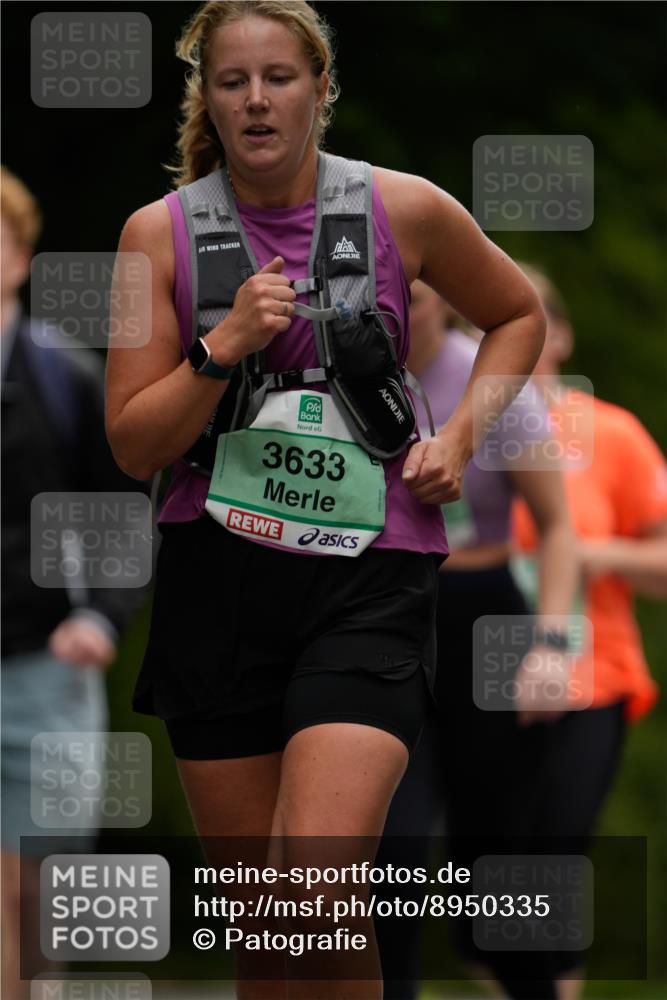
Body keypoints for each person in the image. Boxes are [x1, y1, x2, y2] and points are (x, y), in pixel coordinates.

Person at [105, 3, 546, 995]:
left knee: (313, 883)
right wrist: (221, 349)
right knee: (271, 931)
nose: (257, 99)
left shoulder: (406, 209)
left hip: (368, 580)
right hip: (217, 584)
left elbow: (516, 314)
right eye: (232, 81)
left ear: (321, 87)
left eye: (279, 77)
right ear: (207, 100)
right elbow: (133, 440)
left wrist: (462, 435)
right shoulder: (155, 236)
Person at [375, 281, 576, 1000]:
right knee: (386, 856)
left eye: (414, 297)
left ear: (446, 302)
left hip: (482, 617)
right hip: (382, 611)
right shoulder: (344, 372)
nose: (396, 311)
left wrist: (552, 645)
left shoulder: (488, 383)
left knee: (491, 864)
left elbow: (557, 529)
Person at [0, 166, 149, 999]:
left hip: (50, 667)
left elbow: (126, 514)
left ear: (22, 258)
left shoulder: (71, 380)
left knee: (38, 884)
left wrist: (101, 614)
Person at [511, 264, 667, 1000]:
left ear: (561, 336)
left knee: (553, 852)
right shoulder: (445, 426)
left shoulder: (612, 436)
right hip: (459, 676)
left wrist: (574, 548)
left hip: (589, 675)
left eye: (531, 319)